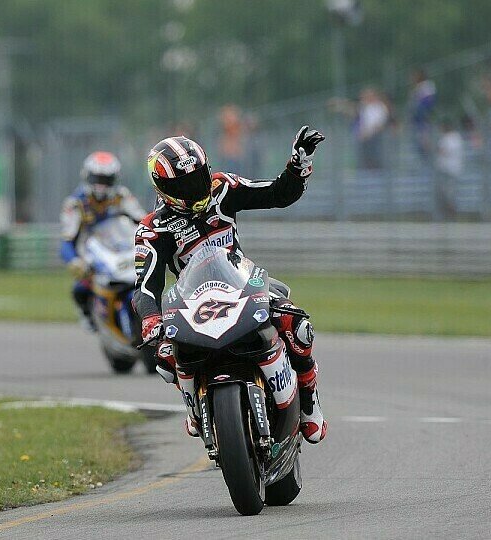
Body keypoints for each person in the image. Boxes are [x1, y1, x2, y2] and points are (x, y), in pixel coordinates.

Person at [133, 128, 327, 444]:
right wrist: (151, 321)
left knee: (297, 324)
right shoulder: (153, 228)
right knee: (166, 356)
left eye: (199, 176)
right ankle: (195, 408)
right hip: (192, 302)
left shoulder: (224, 188)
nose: (197, 187)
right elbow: (145, 287)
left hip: (242, 284)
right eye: (184, 184)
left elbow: (278, 194)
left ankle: (308, 400)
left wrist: (297, 165)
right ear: (164, 189)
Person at [60, 151, 146, 331]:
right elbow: (67, 241)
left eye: (106, 180)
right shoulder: (75, 204)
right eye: (97, 179)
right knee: (80, 289)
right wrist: (75, 262)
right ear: (87, 177)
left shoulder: (122, 196)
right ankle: (87, 314)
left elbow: (142, 220)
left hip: (122, 247)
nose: (101, 186)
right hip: (92, 252)